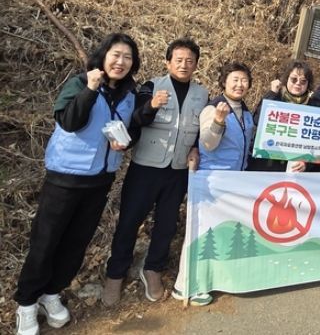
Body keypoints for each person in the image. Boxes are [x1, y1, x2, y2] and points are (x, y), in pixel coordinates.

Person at [14, 33, 141, 335]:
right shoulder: (80, 83)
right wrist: (90, 88)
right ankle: (26, 303)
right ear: (103, 56)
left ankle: (52, 293)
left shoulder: (129, 94)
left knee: (76, 243)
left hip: (100, 180)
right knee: (46, 241)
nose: (121, 62)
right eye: (116, 54)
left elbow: (132, 129)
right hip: (66, 178)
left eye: (127, 57)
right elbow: (69, 121)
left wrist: (125, 142)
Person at [103, 38, 208, 306]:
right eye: (179, 60)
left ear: (196, 64)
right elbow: (136, 120)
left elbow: (201, 129)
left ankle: (153, 269)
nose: (184, 65)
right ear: (168, 62)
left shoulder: (202, 94)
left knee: (167, 224)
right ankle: (115, 273)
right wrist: (152, 105)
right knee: (129, 221)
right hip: (145, 168)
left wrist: (196, 148)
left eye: (190, 61)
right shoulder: (151, 86)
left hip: (178, 170)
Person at [173, 61, 255, 306]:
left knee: (221, 234)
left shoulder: (246, 112)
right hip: (212, 181)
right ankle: (186, 285)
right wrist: (219, 121)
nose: (240, 84)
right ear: (224, 82)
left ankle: (211, 280)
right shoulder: (213, 108)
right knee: (201, 233)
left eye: (244, 80)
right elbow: (208, 144)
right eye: (235, 79)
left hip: (235, 180)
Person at [248, 60, 316, 172]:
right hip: (264, 164)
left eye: (303, 81)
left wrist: (306, 162)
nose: (298, 83)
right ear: (286, 79)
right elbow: (257, 120)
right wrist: (272, 93)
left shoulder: (313, 107)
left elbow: (316, 143)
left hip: (292, 169)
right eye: (293, 79)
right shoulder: (275, 97)